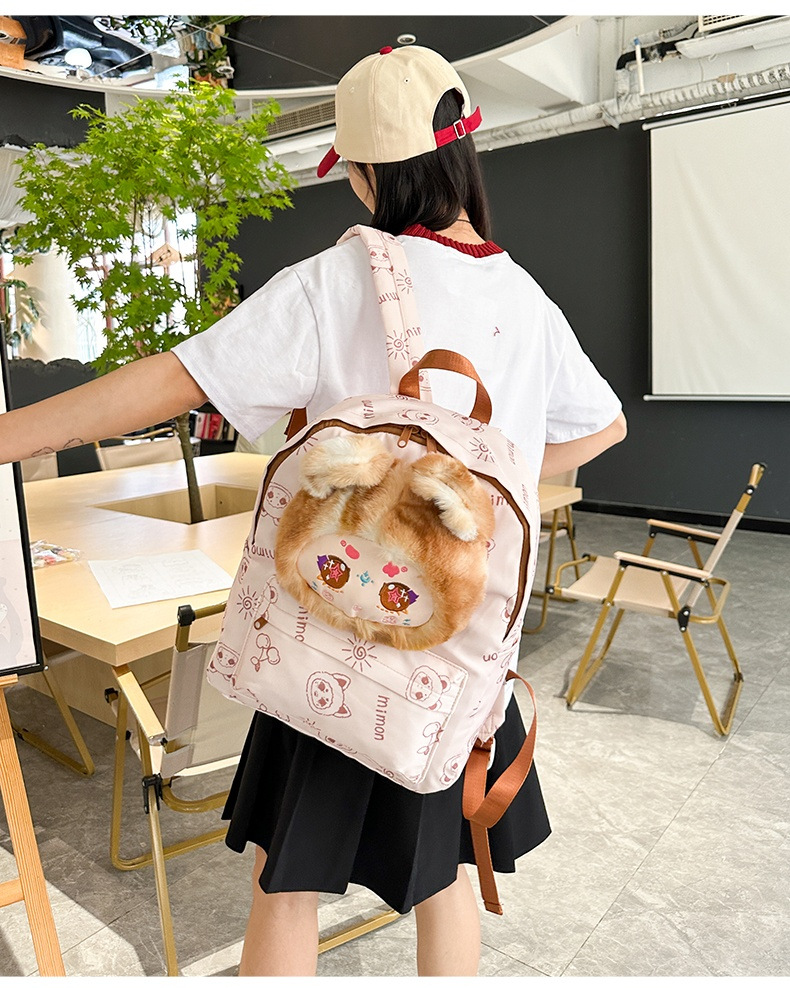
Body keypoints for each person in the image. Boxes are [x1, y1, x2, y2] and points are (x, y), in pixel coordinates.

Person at [0, 45, 626, 977]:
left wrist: (6, 436)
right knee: (449, 877)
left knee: (285, 885)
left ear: (366, 173)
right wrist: (473, 491)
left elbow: (175, 380)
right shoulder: (524, 298)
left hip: (333, 648)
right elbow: (605, 425)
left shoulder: (338, 283)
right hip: (455, 667)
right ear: (463, 153)